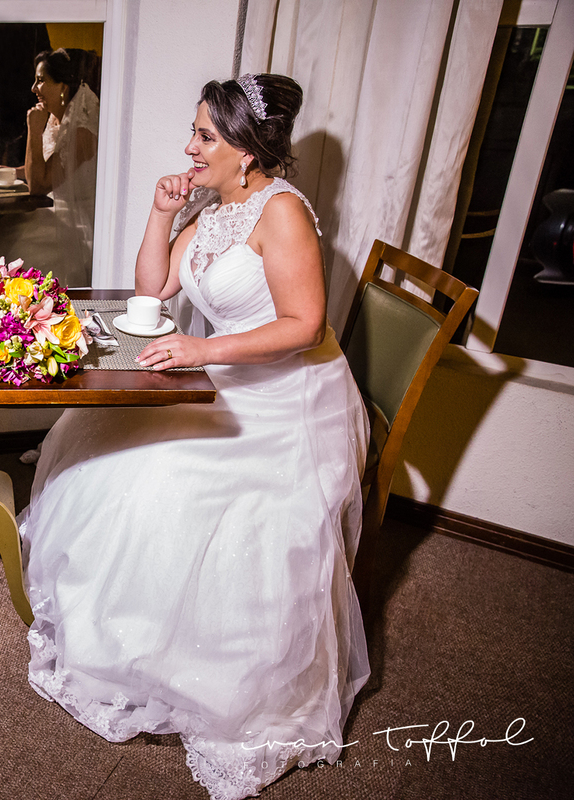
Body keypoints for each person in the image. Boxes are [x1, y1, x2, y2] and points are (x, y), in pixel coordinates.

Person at [19, 74, 370, 799]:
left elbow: (305, 326)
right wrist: (161, 214)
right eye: (194, 131)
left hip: (288, 400)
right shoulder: (216, 207)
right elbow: (152, 291)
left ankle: (202, 669)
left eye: (205, 135)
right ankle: (130, 641)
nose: (190, 147)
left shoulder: (282, 213)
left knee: (160, 480)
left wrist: (200, 350)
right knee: (105, 450)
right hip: (228, 379)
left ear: (247, 149)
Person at [0, 48, 100, 287]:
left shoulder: (82, 132)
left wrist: (34, 130)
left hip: (72, 223)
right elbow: (51, 166)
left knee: (9, 254)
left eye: (40, 80)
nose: (33, 88)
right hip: (48, 210)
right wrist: (16, 171)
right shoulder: (58, 118)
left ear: (62, 87)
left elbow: (39, 185)